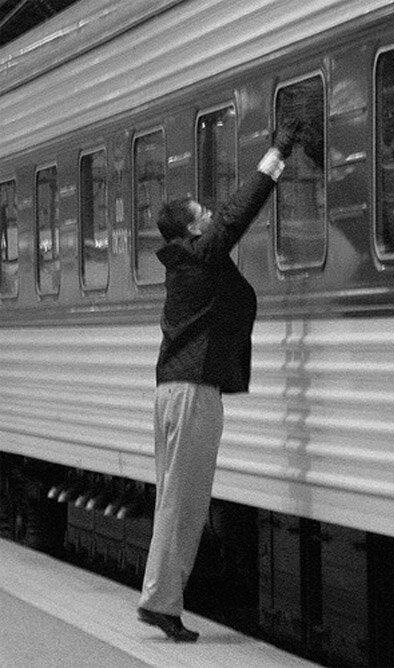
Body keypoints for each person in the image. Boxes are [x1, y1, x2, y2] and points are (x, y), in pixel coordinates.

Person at [137, 120, 302, 642]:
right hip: (191, 392)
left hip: (174, 389)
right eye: (201, 214)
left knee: (175, 499)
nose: (210, 216)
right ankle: (160, 603)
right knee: (185, 502)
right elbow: (237, 213)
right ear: (192, 231)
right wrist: (276, 153)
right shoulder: (200, 256)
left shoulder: (188, 263)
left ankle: (159, 598)